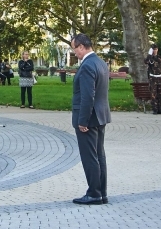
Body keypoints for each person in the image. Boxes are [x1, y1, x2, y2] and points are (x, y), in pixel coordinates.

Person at [70, 33, 111, 206]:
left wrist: (83, 121)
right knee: (99, 155)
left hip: (89, 118)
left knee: (90, 157)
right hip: (100, 116)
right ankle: (102, 193)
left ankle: (94, 193)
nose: (74, 53)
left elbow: (88, 96)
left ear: (81, 46)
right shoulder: (100, 62)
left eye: (74, 49)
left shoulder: (87, 65)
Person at [144, 44, 161, 114]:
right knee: (153, 94)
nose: (155, 51)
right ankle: (155, 109)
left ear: (157, 49)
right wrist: (149, 54)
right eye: (153, 49)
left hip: (160, 78)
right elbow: (146, 62)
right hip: (153, 78)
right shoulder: (150, 58)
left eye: (156, 49)